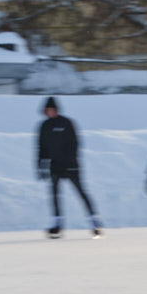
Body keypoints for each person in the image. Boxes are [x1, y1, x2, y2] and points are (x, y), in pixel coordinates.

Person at [36, 96, 102, 239]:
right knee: (54, 196)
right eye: (47, 110)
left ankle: (95, 224)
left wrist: (71, 162)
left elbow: (75, 144)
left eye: (52, 110)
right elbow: (41, 148)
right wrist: (40, 166)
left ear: (57, 110)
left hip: (71, 166)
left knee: (81, 193)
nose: (49, 112)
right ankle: (57, 225)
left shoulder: (67, 123)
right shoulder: (44, 126)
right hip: (54, 167)